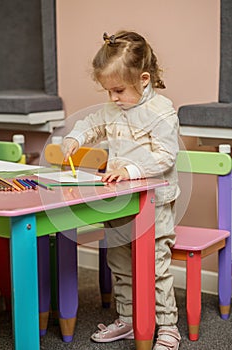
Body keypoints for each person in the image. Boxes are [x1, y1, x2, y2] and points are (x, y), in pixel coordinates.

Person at [62, 30, 181, 350]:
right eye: (108, 91)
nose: (112, 97)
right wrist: (74, 138)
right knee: (119, 260)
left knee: (156, 266)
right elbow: (92, 124)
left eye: (118, 89)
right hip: (117, 201)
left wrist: (129, 170)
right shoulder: (113, 108)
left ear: (144, 79)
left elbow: (165, 157)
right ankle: (129, 319)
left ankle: (168, 324)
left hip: (154, 203)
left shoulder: (162, 112)